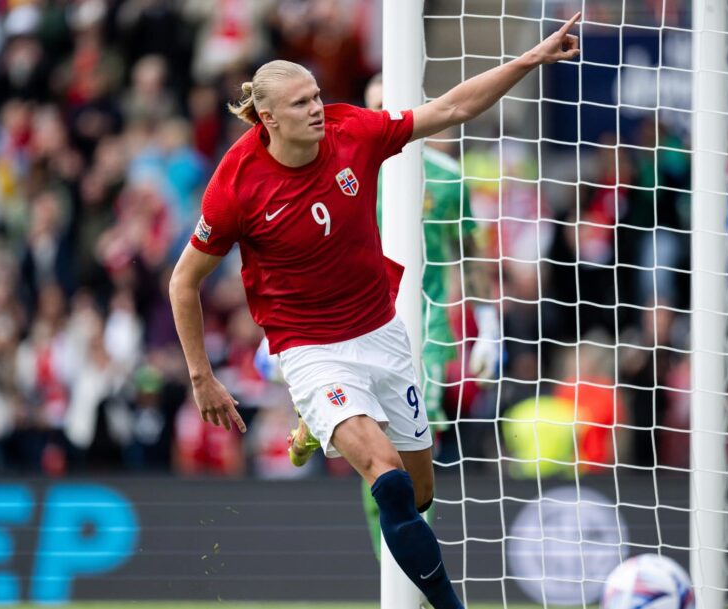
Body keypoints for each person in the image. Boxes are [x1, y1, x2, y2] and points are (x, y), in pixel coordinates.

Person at [169, 14, 580, 609]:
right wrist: (202, 376)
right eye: (301, 102)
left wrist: (527, 60)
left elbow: (452, 111)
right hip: (309, 349)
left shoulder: (353, 131)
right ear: (267, 118)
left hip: (382, 334)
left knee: (417, 492)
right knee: (385, 479)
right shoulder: (235, 184)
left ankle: (317, 424)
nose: (317, 108)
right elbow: (184, 282)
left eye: (316, 95)